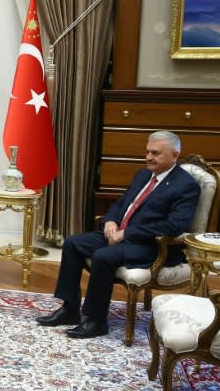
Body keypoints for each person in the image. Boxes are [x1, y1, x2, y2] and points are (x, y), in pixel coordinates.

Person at [36, 131, 200, 338]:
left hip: (152, 245)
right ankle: (69, 310)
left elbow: (174, 225)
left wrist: (127, 233)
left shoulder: (186, 186)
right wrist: (111, 221)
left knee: (103, 256)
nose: (149, 157)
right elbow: (122, 203)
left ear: (175, 155)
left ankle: (96, 321)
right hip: (121, 234)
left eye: (155, 153)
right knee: (73, 243)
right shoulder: (143, 175)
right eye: (148, 152)